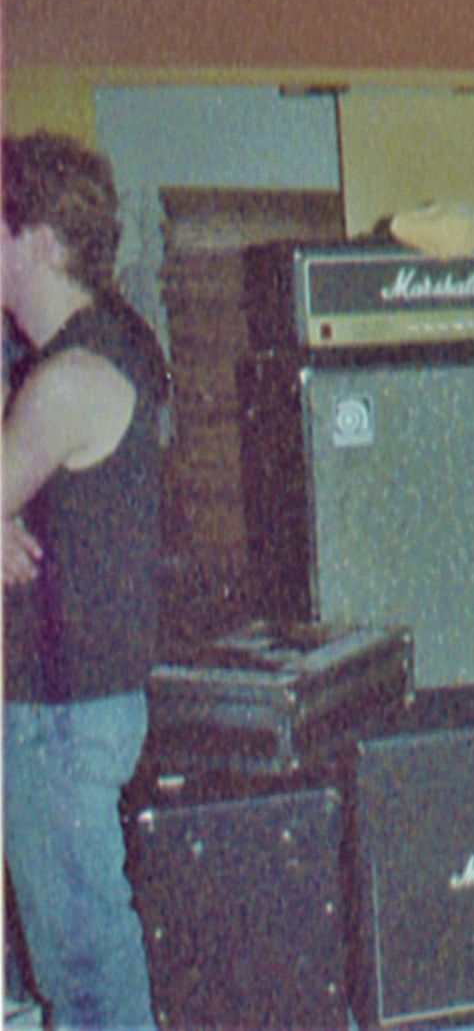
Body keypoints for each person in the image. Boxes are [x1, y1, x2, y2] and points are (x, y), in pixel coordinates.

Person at [2, 131, 166, 1029]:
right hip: (82, 705)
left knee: (85, 973)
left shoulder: (66, 378)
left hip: (56, 717)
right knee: (90, 955)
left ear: (35, 239)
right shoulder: (109, 338)